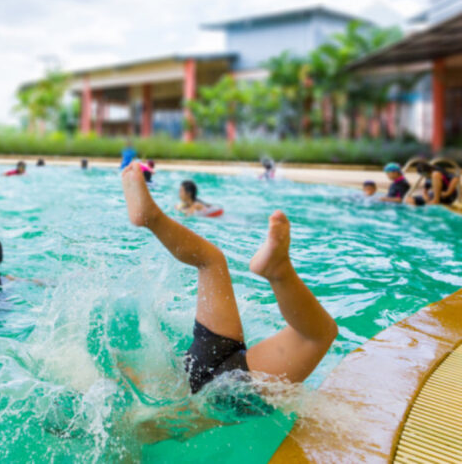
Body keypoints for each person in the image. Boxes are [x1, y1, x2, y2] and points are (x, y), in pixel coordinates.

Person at [121, 162, 337, 395]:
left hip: (214, 389)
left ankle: (279, 272)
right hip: (211, 372)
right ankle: (153, 219)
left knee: (318, 335)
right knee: (210, 260)